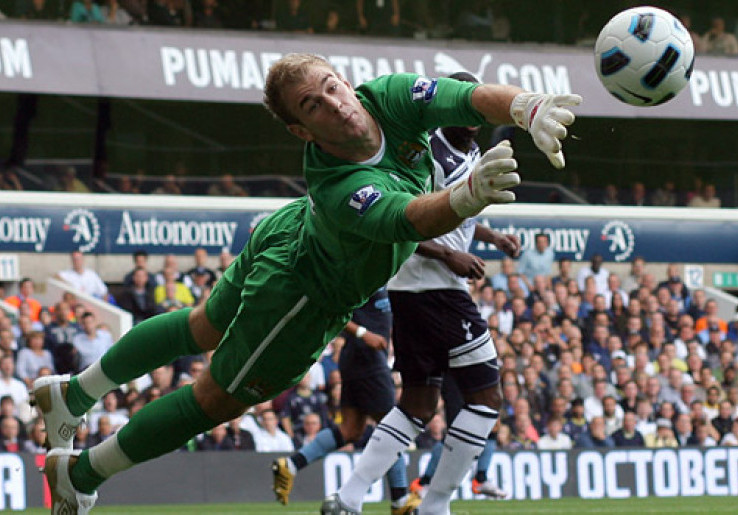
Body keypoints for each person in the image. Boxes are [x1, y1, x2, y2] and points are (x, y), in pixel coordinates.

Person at [34, 53, 579, 513]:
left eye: (332, 86)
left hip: (290, 228)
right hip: (300, 294)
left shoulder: (386, 96)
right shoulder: (342, 181)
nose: (335, 103)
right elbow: (410, 219)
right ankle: (79, 476)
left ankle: (74, 393)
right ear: (301, 129)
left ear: (344, 79)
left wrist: (528, 107)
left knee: (203, 326)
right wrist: (466, 197)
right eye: (312, 105)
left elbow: (467, 97)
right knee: (215, 400)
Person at [333, 71, 528, 513]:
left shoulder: (472, 150)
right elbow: (396, 219)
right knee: (486, 397)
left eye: (478, 110)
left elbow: (456, 211)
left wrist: (491, 237)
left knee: (417, 406)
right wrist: (446, 256)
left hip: (418, 292)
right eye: (466, 108)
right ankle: (435, 504)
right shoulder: (428, 153)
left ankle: (347, 498)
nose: (474, 118)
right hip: (434, 287)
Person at [273, 289, 421, 514]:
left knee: (351, 429)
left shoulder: (384, 272)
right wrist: (363, 333)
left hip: (359, 359)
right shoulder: (366, 272)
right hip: (367, 359)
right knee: (393, 426)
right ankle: (400, 501)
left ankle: (292, 465)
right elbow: (335, 311)